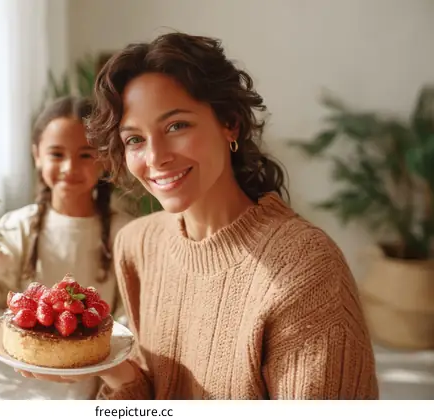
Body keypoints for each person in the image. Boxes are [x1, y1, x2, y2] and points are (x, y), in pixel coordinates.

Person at [80, 32, 379, 399]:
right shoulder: (138, 243)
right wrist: (114, 369)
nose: (156, 157)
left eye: (176, 126)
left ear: (230, 123)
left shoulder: (306, 268)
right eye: (135, 140)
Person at [0, 95, 134, 399]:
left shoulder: (127, 233)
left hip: (94, 382)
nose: (70, 167)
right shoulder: (17, 226)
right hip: (18, 380)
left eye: (85, 155)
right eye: (57, 154)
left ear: (105, 158)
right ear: (37, 155)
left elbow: (127, 320)